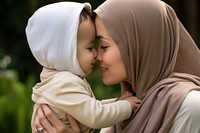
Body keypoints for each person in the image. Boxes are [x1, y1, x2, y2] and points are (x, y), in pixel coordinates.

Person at [31, 0, 200, 132]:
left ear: (137, 46)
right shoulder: (115, 122)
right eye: (92, 47)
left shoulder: (190, 107)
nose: (97, 56)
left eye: (104, 46)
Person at [25, 1, 141, 133]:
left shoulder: (57, 81)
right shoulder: (64, 84)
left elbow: (91, 108)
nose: (96, 54)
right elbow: (95, 116)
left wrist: (117, 102)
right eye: (90, 48)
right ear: (66, 51)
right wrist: (127, 106)